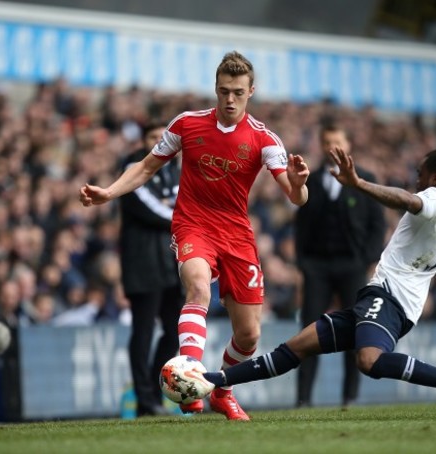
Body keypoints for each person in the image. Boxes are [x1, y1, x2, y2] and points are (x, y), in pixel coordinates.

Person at [198, 146, 436, 419]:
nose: (416, 178)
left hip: (389, 296)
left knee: (368, 361)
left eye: (420, 173)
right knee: (296, 347)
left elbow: (407, 199)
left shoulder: (433, 199)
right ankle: (216, 381)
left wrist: (359, 184)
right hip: (392, 301)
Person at [79, 51, 309, 421]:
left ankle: (222, 390)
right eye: (223, 91)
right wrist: (110, 192)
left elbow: (295, 196)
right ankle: (189, 380)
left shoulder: (265, 139)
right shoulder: (187, 124)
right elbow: (146, 166)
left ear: (252, 91)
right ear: (215, 90)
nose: (229, 99)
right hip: (193, 224)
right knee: (199, 288)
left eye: (237, 92)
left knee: (249, 335)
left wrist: (299, 186)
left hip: (237, 235)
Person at [294, 123, 386, 408]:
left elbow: (376, 225)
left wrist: (365, 259)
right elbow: (301, 225)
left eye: (337, 141)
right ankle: (304, 399)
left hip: (352, 266)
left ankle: (350, 397)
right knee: (308, 332)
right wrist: (304, 263)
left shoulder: (365, 179)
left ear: (348, 145)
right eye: (327, 141)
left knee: (356, 330)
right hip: (317, 267)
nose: (332, 147)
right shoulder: (309, 180)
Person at [118, 121, 184, 417]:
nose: (159, 142)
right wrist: (183, 215)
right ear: (143, 142)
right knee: (143, 331)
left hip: (171, 262)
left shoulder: (177, 171)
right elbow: (153, 209)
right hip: (142, 263)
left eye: (163, 136)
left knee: (174, 331)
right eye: (153, 137)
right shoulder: (134, 168)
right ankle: (144, 400)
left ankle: (154, 391)